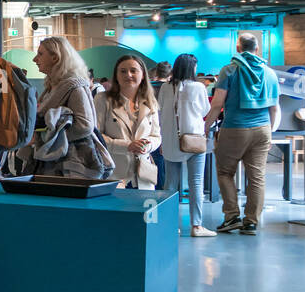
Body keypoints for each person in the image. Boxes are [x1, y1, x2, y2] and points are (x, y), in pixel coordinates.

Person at [206, 33, 280, 235]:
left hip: (234, 128)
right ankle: (251, 222)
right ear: (257, 50)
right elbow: (275, 109)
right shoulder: (269, 73)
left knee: (224, 172)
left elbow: (217, 104)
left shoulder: (229, 70)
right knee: (257, 177)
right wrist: (271, 133)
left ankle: (231, 217)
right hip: (263, 129)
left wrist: (206, 127)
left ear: (238, 49)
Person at [24, 37, 113, 179]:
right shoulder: (52, 87)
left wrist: (50, 137)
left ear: (55, 57)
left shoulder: (74, 87)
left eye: (40, 54)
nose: (35, 59)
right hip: (55, 163)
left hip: (69, 166)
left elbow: (85, 125)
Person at [158, 54, 214, 237]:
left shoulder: (165, 88)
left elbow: (160, 112)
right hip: (193, 140)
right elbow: (205, 110)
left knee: (170, 184)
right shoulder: (198, 87)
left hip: (169, 140)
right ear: (192, 68)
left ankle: (170, 225)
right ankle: (196, 226)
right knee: (196, 182)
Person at [97, 56, 161, 188]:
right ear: (116, 75)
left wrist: (146, 146)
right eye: (123, 71)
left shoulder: (150, 102)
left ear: (142, 75)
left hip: (144, 175)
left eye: (133, 70)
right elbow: (96, 137)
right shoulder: (102, 99)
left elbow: (156, 136)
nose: (128, 75)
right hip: (114, 174)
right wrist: (126, 146)